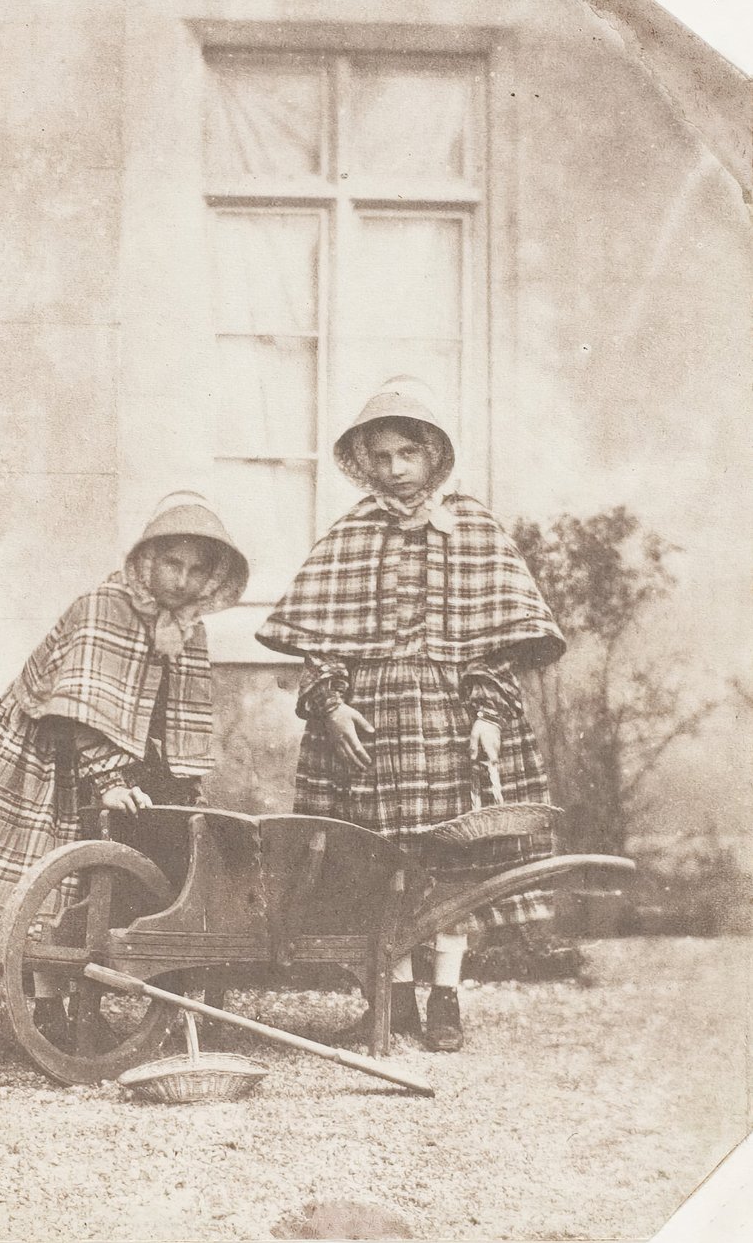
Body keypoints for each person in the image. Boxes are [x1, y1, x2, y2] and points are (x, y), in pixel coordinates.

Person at [256, 377, 565, 1052]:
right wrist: (332, 706)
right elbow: (321, 642)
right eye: (381, 456)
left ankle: (445, 996)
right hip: (368, 729)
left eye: (408, 453)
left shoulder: (472, 527)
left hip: (449, 723)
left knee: (450, 860)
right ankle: (392, 997)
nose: (395, 468)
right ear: (363, 462)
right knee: (377, 859)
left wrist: (488, 716)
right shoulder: (352, 533)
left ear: (433, 456)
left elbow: (494, 644)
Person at [0, 491, 249, 1041]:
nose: (182, 579)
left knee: (120, 875)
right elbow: (80, 706)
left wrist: (182, 779)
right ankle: (49, 1008)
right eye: (171, 563)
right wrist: (108, 778)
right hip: (55, 750)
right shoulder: (103, 606)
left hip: (126, 756)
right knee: (58, 875)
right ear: (147, 560)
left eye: (197, 569)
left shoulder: (188, 627)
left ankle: (99, 1000)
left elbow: (176, 714)